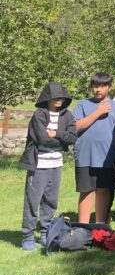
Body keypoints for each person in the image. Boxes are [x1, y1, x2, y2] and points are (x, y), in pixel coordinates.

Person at [19, 82, 77, 251]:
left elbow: (73, 137)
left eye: (62, 97)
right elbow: (42, 139)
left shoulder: (67, 115)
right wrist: (61, 141)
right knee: (32, 201)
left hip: (56, 164)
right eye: (55, 97)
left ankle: (45, 233)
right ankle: (28, 237)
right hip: (38, 164)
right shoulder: (39, 115)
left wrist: (57, 134)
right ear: (47, 98)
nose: (59, 100)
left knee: (50, 201)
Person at [73, 72, 115, 223]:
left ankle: (100, 227)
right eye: (95, 86)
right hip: (85, 156)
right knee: (86, 192)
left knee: (103, 191)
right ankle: (82, 227)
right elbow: (76, 127)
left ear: (109, 87)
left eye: (102, 86)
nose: (98, 90)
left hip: (107, 158)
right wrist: (98, 112)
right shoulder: (82, 104)